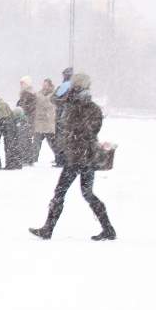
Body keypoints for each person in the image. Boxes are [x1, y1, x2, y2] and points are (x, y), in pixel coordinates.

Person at [29, 72, 116, 240]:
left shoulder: (80, 107)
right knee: (87, 193)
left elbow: (86, 130)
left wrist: (74, 137)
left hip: (77, 157)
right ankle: (108, 229)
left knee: (61, 192)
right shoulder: (83, 106)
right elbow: (54, 99)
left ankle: (48, 229)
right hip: (85, 156)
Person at [50, 67, 74, 166]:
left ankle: (61, 160)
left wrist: (61, 102)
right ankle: (66, 160)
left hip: (62, 116)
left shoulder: (64, 86)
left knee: (60, 139)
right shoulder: (75, 87)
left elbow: (53, 98)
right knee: (68, 139)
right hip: (70, 117)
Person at [32, 78, 57, 164]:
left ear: (50, 86)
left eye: (46, 85)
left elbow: (49, 104)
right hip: (39, 122)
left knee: (52, 143)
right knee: (36, 142)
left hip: (49, 122)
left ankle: (58, 158)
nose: (44, 87)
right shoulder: (38, 94)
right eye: (43, 85)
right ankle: (33, 158)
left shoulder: (54, 95)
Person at [16, 77, 39, 165]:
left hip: (27, 119)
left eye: (22, 83)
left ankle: (26, 158)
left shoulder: (28, 94)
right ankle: (28, 158)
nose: (21, 85)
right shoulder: (27, 93)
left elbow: (29, 108)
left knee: (24, 139)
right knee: (26, 139)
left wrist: (24, 113)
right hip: (27, 119)